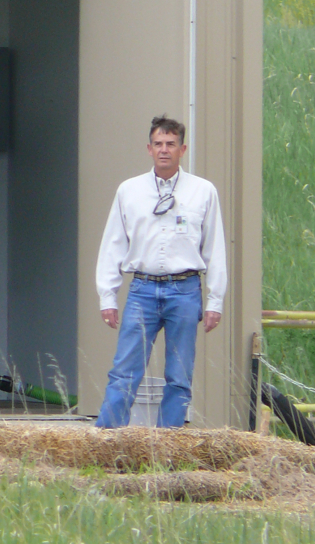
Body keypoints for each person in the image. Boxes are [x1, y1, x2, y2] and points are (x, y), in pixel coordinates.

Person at [94, 115, 226, 428]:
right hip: (142, 289)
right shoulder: (130, 190)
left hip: (185, 290)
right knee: (125, 370)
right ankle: (106, 441)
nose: (164, 150)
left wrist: (215, 301)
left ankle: (169, 446)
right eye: (158, 144)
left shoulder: (203, 191)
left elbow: (215, 249)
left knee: (179, 374)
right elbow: (113, 243)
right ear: (149, 149)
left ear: (182, 149)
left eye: (170, 144)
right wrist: (107, 295)